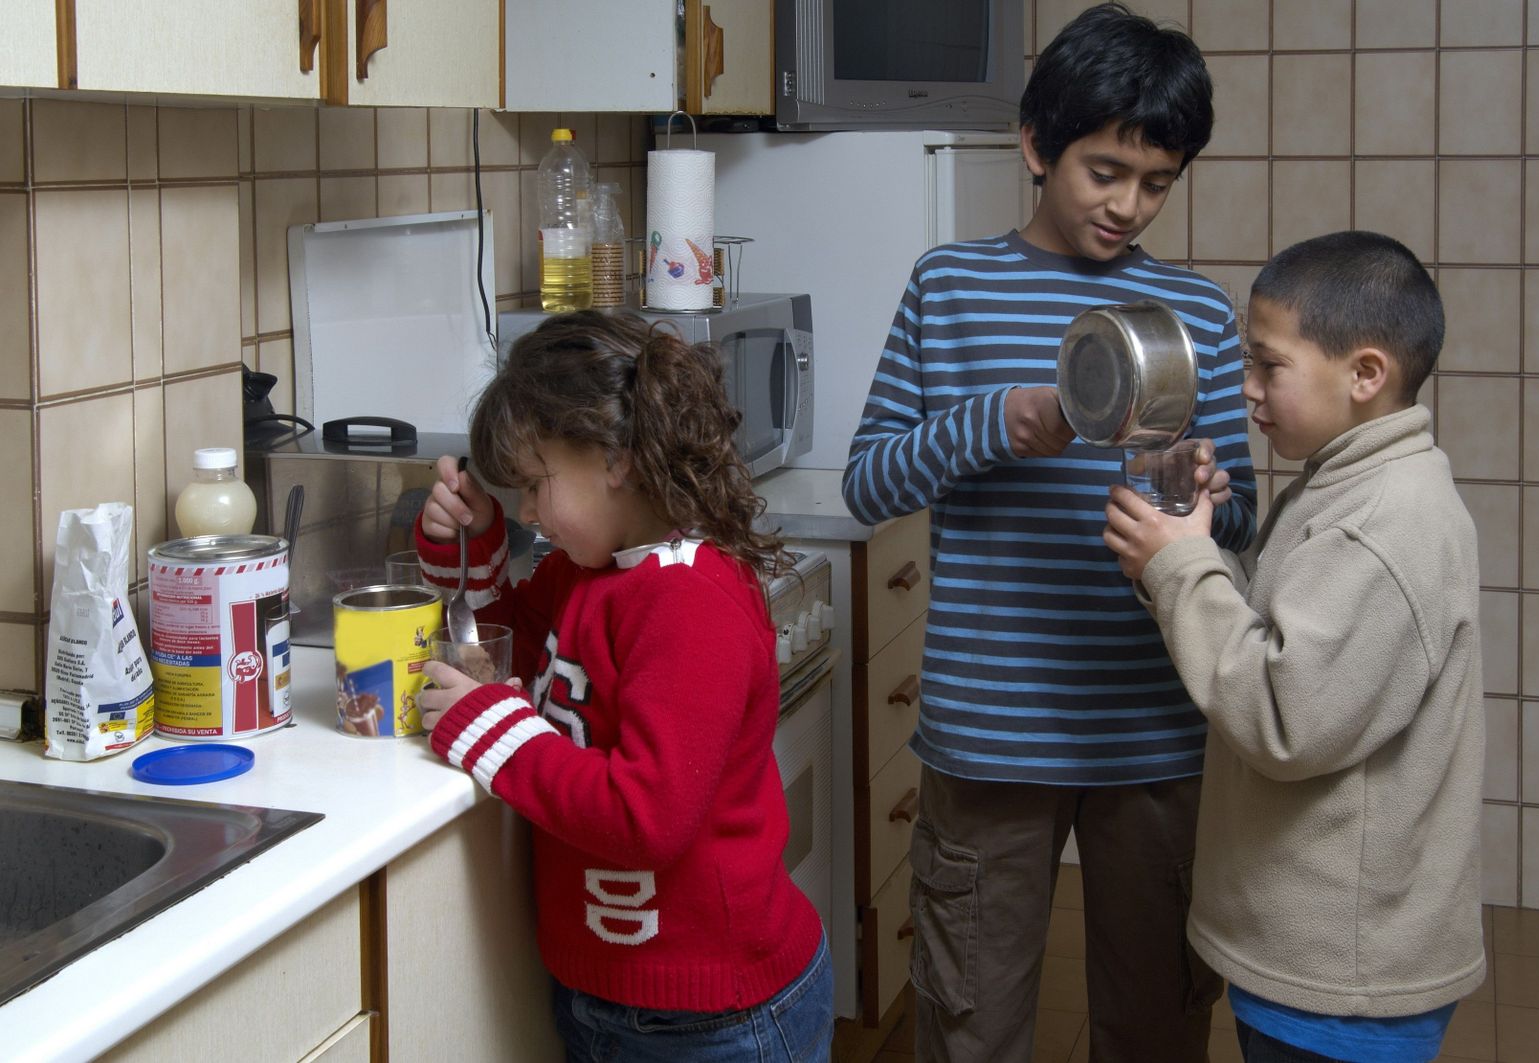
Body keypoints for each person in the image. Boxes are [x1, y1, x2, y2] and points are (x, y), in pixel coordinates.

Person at [840, 4, 1257, 1060]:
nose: (1127, 205)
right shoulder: (949, 287)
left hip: (1154, 727)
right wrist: (995, 422)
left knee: (1157, 1024)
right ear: (1036, 146)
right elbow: (867, 486)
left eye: (1156, 182)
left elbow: (1243, 515)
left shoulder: (1197, 314)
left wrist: (1206, 492)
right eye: (1103, 171)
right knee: (971, 1024)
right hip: (990, 732)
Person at [1103, 230, 1485, 1063]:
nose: (1247, 387)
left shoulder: (1381, 523)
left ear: (1365, 374)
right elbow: (1282, 638)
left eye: (1269, 365)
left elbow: (1284, 715)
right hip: (1318, 959)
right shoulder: (1349, 480)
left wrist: (1182, 566)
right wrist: (1187, 545)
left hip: (1344, 982)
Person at [414, 311, 832, 1062]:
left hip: (717, 1023)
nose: (528, 512)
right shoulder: (588, 570)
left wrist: (491, 730)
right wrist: (474, 543)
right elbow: (508, 660)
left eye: (535, 484)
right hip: (611, 1000)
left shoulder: (689, 599)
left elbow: (648, 815)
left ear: (614, 458)